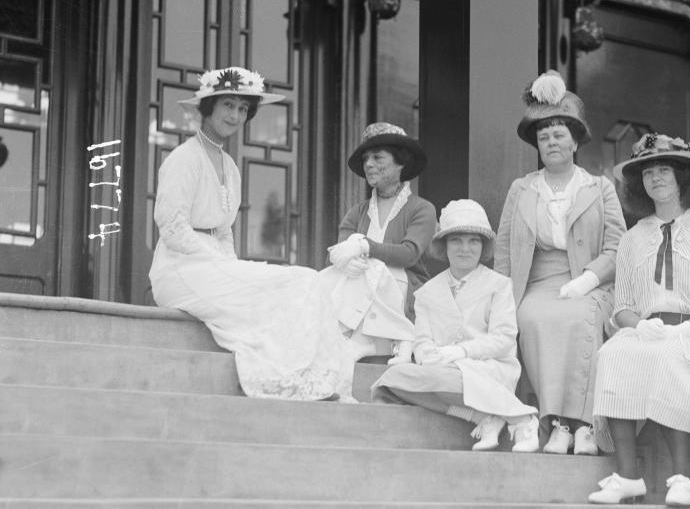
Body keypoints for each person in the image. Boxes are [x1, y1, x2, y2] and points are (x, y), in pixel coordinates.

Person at [149, 67, 350, 401]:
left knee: (307, 281)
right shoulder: (184, 158)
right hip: (180, 267)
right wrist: (218, 263)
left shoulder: (230, 166)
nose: (236, 115)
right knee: (299, 282)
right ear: (208, 107)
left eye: (243, 109)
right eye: (228, 105)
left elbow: (225, 230)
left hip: (212, 264)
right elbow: (171, 227)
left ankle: (306, 378)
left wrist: (228, 264)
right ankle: (284, 380)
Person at [588, 133, 690, 507]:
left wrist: (684, 328)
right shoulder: (632, 238)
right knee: (614, 354)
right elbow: (620, 306)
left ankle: (685, 476)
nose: (656, 179)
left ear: (683, 176)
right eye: (648, 172)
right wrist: (638, 325)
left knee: (671, 356)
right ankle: (627, 475)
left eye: (664, 170)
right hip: (648, 330)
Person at [494, 71, 626, 455]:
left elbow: (619, 246)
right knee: (533, 317)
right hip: (536, 284)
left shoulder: (598, 188)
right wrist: (501, 299)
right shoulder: (522, 189)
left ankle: (583, 425)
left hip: (588, 282)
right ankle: (554, 423)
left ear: (574, 141)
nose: (551, 142)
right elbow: (504, 250)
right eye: (543, 136)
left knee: (578, 317)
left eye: (559, 135)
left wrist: (588, 279)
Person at [372, 199, 540, 452]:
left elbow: (504, 338)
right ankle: (483, 416)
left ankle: (521, 418)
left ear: (483, 247)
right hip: (441, 372)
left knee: (445, 378)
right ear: (444, 246)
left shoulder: (498, 284)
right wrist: (432, 358)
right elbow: (423, 341)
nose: (465, 249)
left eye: (474, 241)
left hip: (488, 369)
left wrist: (462, 352)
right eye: (456, 240)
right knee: (391, 381)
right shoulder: (427, 293)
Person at [321, 123, 436, 387]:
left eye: (378, 157)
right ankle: (352, 339)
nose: (369, 164)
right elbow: (338, 252)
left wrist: (365, 247)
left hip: (403, 292)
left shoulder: (422, 209)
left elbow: (409, 255)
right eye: (365, 159)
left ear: (400, 163)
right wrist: (344, 259)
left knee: (377, 266)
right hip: (359, 291)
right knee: (327, 277)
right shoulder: (357, 212)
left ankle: (363, 341)